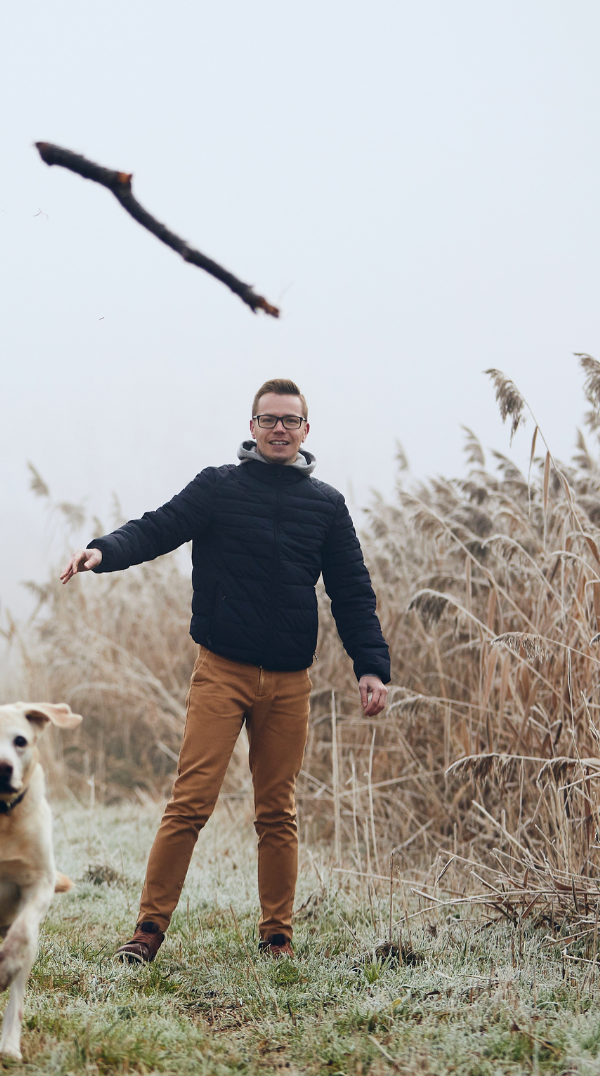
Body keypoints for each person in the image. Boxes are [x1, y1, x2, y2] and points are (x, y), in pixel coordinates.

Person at [59, 378, 390, 962]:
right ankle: (147, 931)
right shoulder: (219, 487)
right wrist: (103, 552)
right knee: (190, 802)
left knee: (277, 811)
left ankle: (277, 936)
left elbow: (352, 593)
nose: (280, 429)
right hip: (222, 671)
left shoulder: (326, 506)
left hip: (289, 683)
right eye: (269, 420)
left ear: (307, 430)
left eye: (291, 420)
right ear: (253, 427)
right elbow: (157, 527)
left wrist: (371, 667)